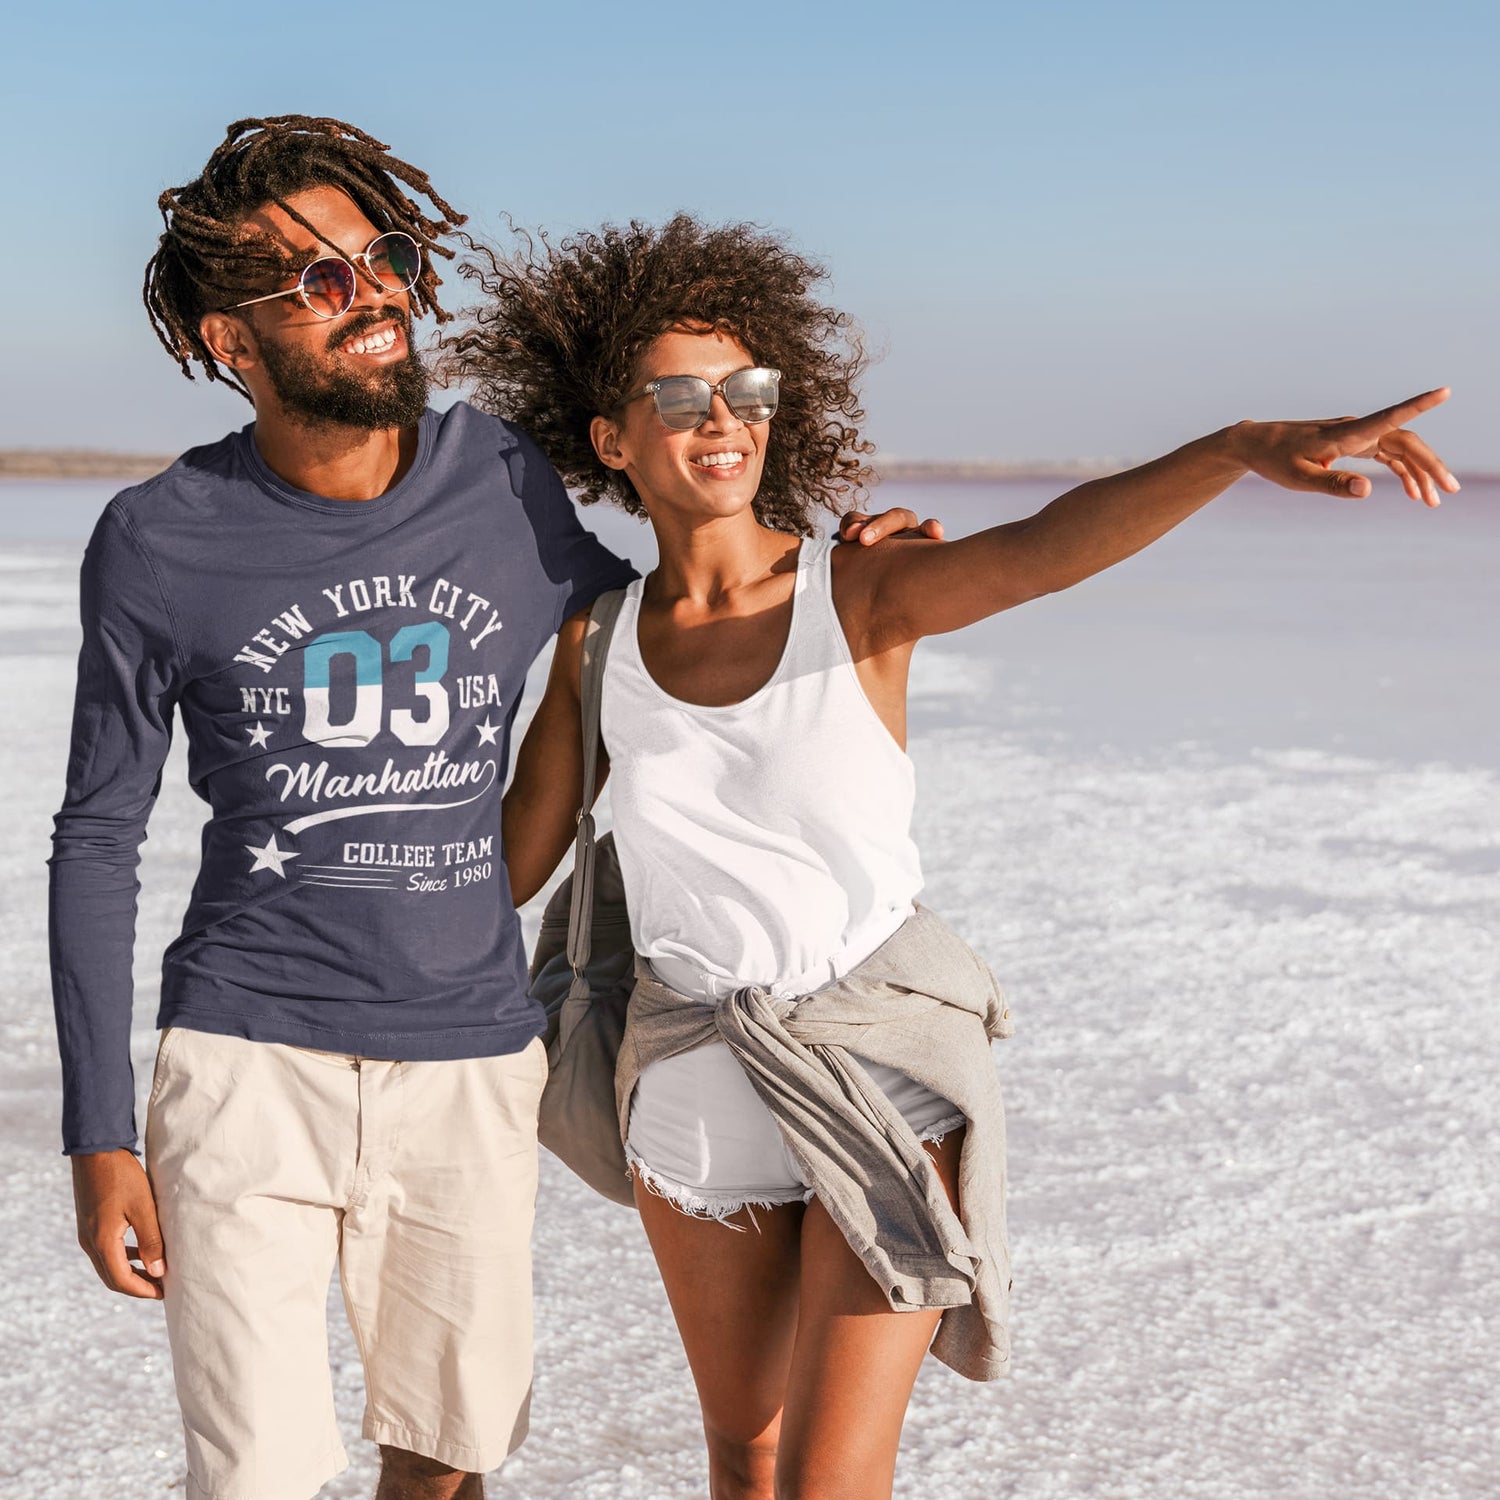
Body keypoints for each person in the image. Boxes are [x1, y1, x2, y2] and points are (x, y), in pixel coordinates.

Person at [459, 214, 1459, 1500]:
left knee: (829, 1482)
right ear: (611, 438)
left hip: (882, 1067)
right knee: (743, 1454)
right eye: (681, 394)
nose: (724, 418)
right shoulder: (597, 646)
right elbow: (505, 866)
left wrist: (1236, 449)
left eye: (746, 390)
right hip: (695, 1078)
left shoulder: (861, 593)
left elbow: (1050, 548)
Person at [48, 120, 933, 1500]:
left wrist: (833, 583)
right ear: (231, 342)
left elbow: (656, 615)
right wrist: (99, 1133)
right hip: (242, 1060)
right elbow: (97, 835)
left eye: (383, 259)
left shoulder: (499, 482)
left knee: (452, 1454)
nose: (379, 293)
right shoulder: (159, 539)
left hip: (469, 1056)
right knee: (257, 1476)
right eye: (320, 282)